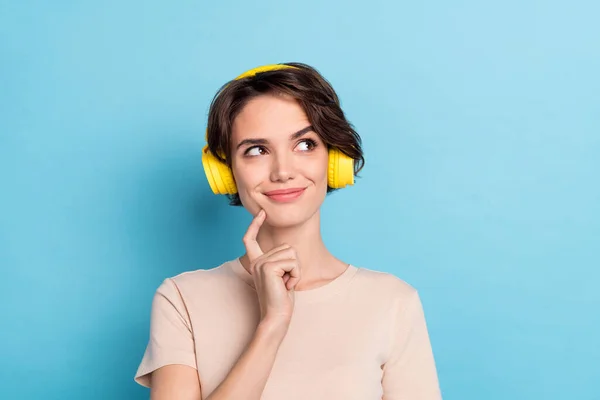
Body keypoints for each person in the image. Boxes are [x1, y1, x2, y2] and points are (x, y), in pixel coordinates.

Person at [134, 62, 442, 399]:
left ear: (334, 159)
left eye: (305, 144)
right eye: (257, 150)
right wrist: (272, 325)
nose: (283, 171)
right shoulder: (181, 299)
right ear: (227, 172)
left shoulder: (393, 302)